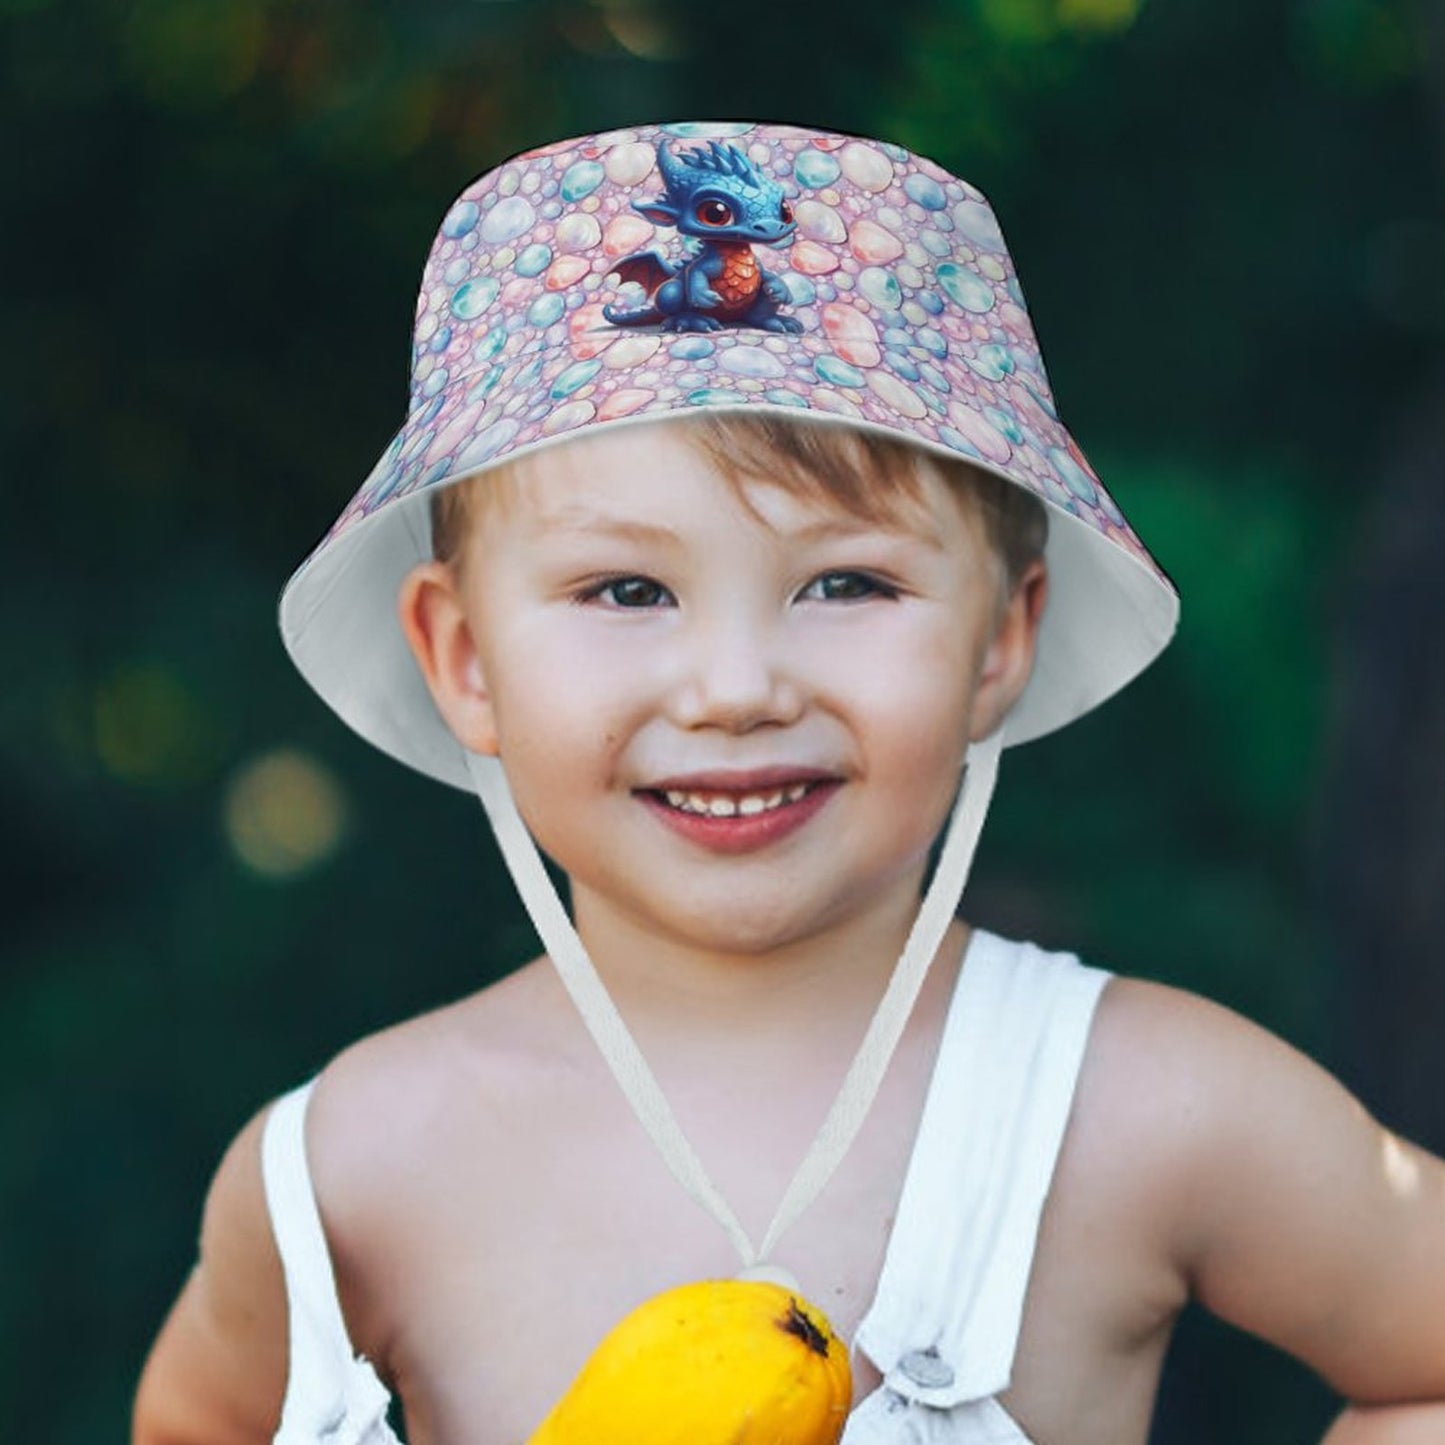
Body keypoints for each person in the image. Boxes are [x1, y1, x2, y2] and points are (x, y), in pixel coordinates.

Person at [132, 121, 1445, 1445]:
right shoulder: (353, 1168)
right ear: (464, 656)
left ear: (999, 636)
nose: (734, 686)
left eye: (846, 583)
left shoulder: (1141, 1105)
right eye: (627, 589)